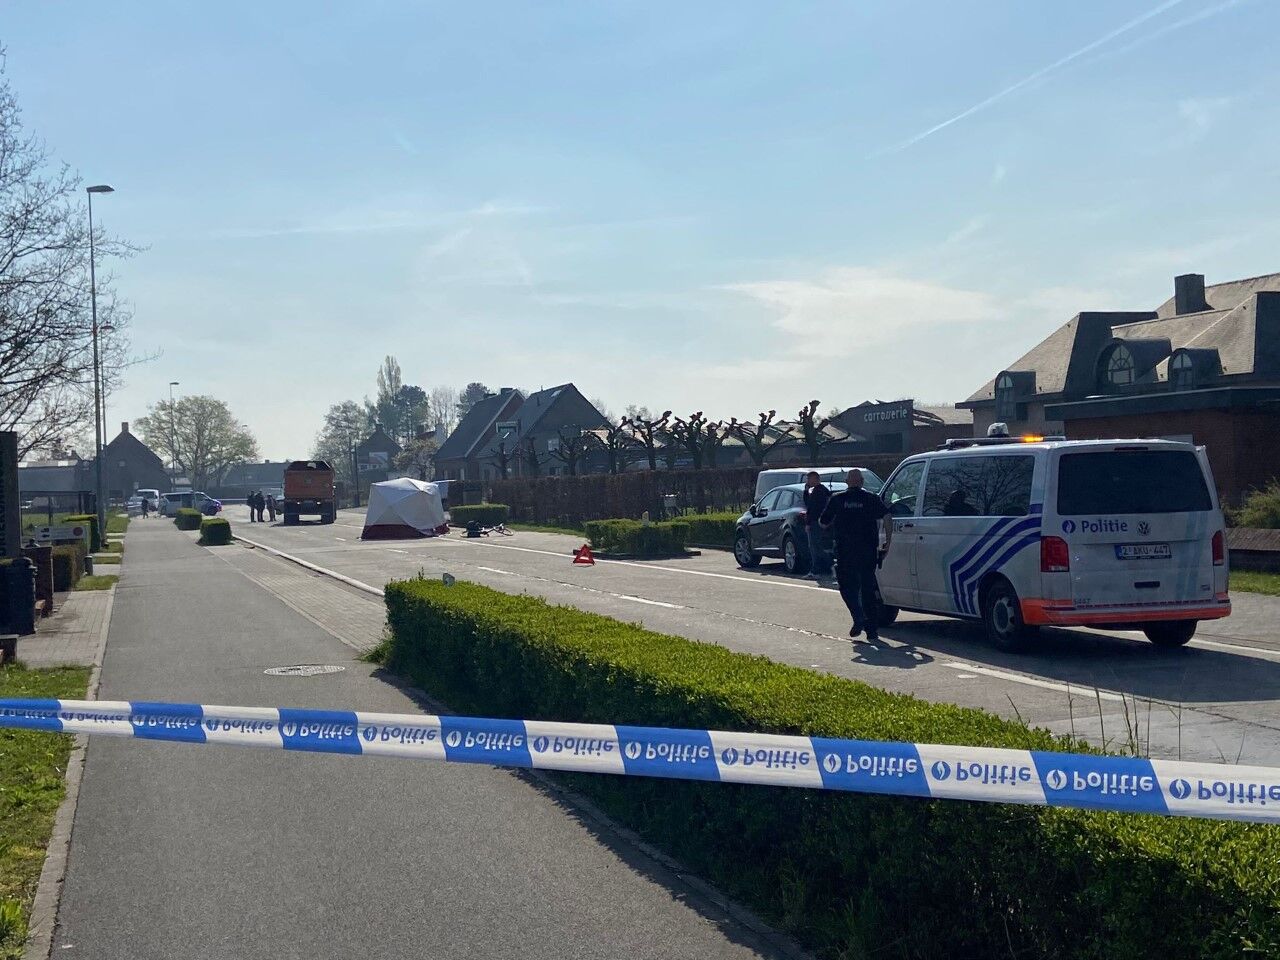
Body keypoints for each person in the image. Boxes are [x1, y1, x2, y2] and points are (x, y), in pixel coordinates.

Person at [820, 468, 892, 641]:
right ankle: (872, 630)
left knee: (847, 587)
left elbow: (823, 522)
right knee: (868, 588)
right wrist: (888, 542)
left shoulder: (837, 499)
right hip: (868, 550)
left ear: (846, 482)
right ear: (862, 482)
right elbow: (887, 517)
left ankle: (858, 616)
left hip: (845, 551)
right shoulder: (871, 499)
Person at [801, 471, 832, 579]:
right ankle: (826, 567)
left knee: (814, 547)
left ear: (814, 479)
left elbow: (812, 508)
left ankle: (818, 570)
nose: (807, 481)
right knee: (817, 546)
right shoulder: (823, 491)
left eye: (808, 479)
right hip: (822, 522)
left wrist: (808, 523)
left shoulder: (818, 492)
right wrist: (806, 491)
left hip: (815, 523)